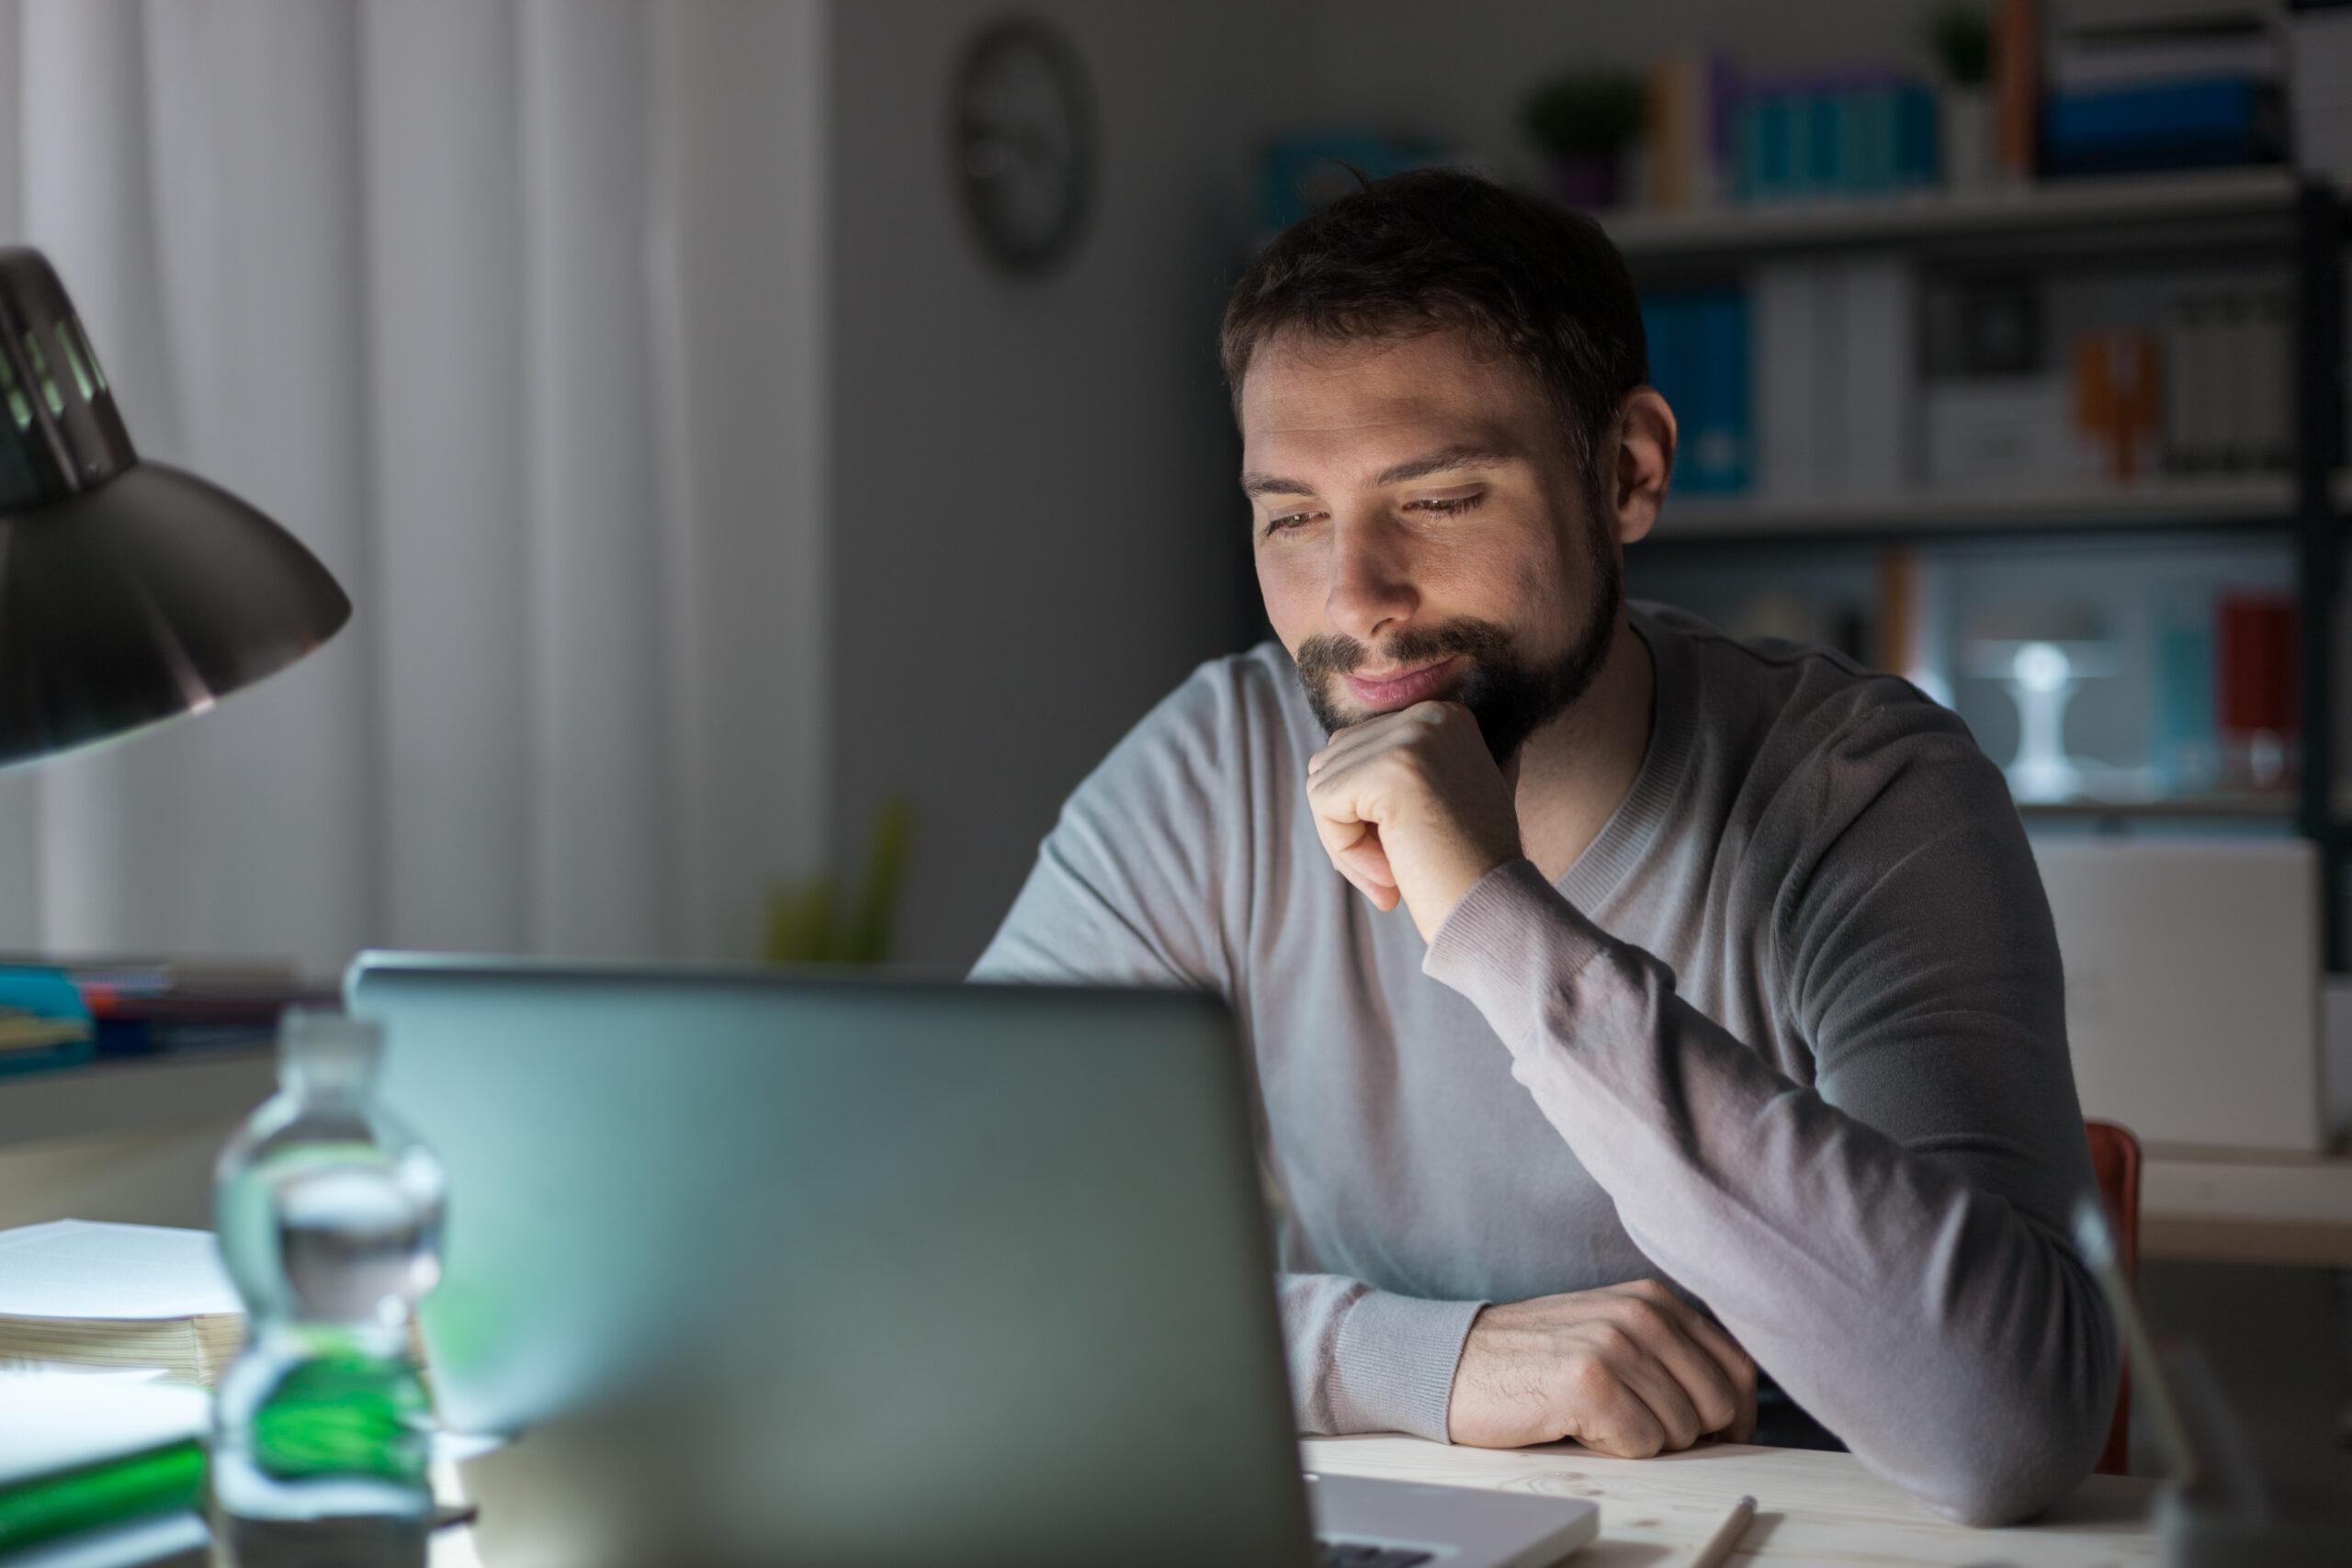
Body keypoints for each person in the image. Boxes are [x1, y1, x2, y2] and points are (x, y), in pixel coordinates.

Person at [971, 167, 2118, 1528]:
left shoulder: (1864, 792)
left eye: (1441, 500)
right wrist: (1422, 1361)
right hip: (1393, 1517)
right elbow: (951, 1264)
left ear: (1626, 471)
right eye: (1291, 516)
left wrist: (1492, 917)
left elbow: (2006, 1425)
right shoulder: (1212, 771)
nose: (1357, 602)